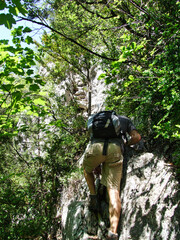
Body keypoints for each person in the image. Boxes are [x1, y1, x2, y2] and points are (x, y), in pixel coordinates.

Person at [83, 113, 141, 240]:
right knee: (114, 190)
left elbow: (92, 138)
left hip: (95, 148)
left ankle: (93, 196)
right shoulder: (125, 120)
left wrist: (97, 164)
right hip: (115, 150)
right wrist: (126, 144)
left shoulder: (96, 120)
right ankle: (113, 232)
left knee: (87, 170)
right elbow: (136, 137)